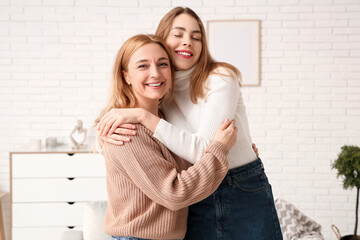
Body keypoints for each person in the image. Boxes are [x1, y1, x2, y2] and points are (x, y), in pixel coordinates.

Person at [96, 7, 282, 240]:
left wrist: (144, 117)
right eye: (179, 34)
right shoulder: (160, 92)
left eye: (196, 37)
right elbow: (174, 159)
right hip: (193, 190)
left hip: (237, 183)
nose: (188, 42)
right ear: (162, 39)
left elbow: (200, 150)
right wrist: (103, 135)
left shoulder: (219, 77)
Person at [95, 34, 238, 240]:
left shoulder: (161, 122)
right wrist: (220, 150)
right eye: (143, 66)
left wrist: (232, 153)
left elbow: (186, 165)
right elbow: (174, 193)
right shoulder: (127, 131)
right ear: (126, 76)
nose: (155, 73)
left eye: (162, 64)